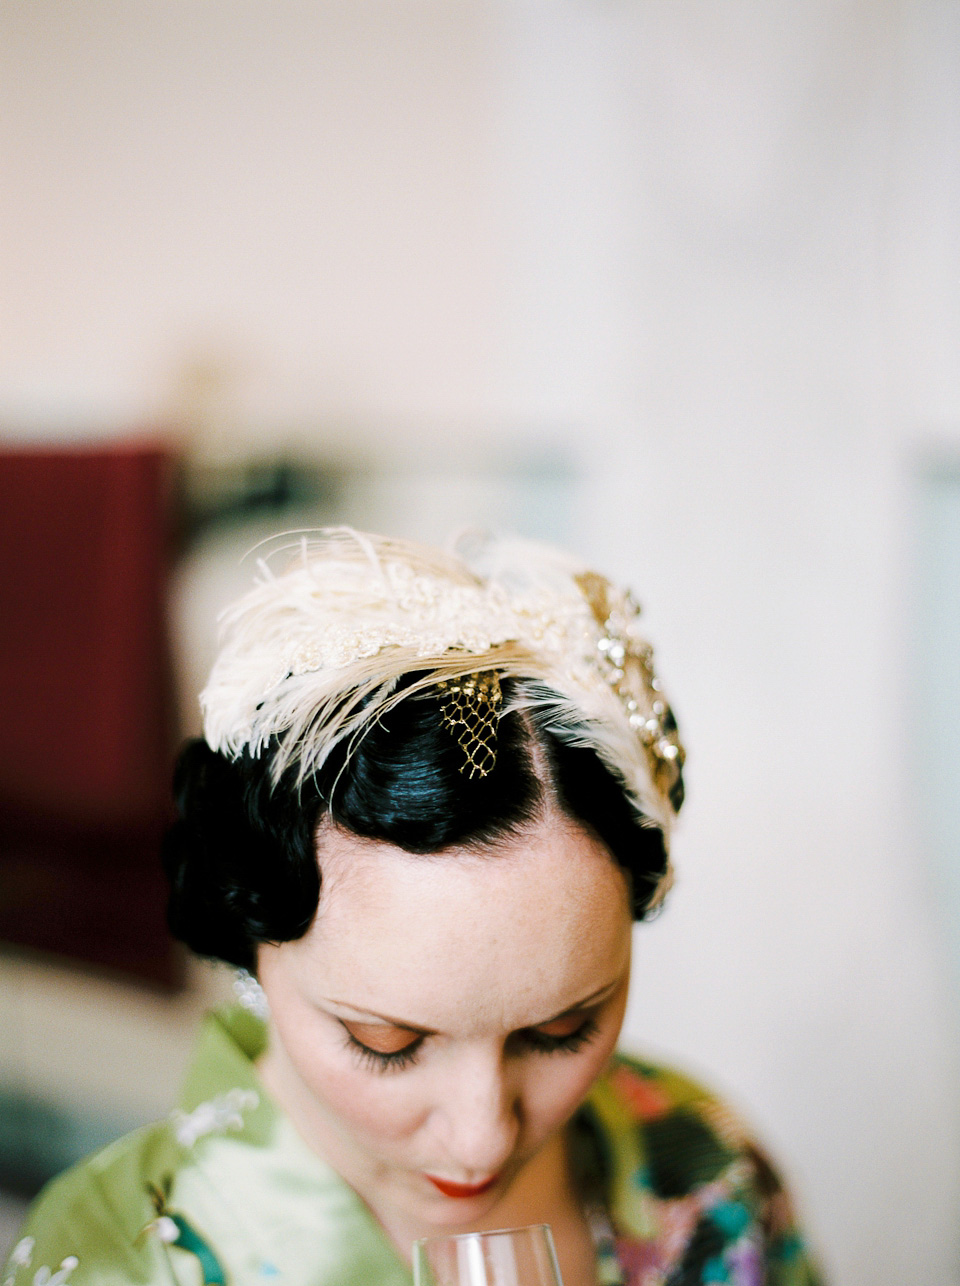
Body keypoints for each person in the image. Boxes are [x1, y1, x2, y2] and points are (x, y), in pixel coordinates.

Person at [4, 528, 822, 1286]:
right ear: (253, 938)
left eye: (563, 1031)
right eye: (384, 1042)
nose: (482, 1139)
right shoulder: (122, 1259)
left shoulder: (706, 1167)